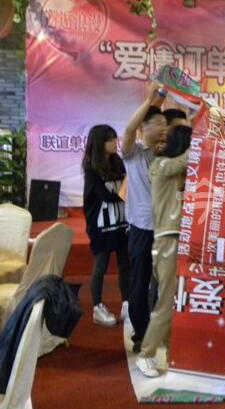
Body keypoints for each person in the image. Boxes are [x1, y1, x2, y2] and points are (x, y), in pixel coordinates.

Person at [135, 125, 191, 378]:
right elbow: (187, 158)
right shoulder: (160, 165)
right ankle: (146, 354)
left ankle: (171, 352)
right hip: (167, 240)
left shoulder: (176, 170)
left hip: (175, 240)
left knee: (173, 300)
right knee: (167, 301)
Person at [121, 83, 167, 353]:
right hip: (141, 229)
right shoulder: (133, 153)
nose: (163, 128)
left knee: (163, 282)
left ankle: (160, 328)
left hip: (165, 228)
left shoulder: (164, 153)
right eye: (157, 123)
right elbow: (129, 130)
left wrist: (159, 99)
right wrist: (150, 100)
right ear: (144, 127)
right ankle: (141, 332)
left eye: (164, 124)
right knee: (140, 282)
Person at [82, 124, 130, 327]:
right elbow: (107, 196)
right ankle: (97, 307)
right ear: (100, 143)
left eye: (114, 138)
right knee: (100, 265)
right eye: (110, 139)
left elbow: (125, 188)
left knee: (125, 265)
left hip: (121, 222)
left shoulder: (118, 162)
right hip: (101, 226)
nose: (114, 142)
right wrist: (127, 191)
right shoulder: (92, 170)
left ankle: (127, 303)